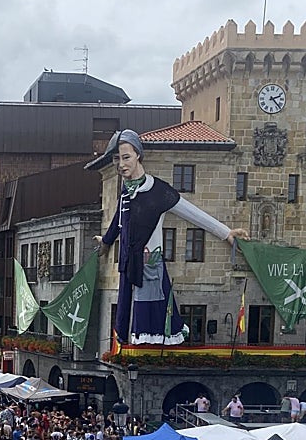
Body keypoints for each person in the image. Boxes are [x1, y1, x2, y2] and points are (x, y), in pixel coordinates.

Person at [91, 128, 247, 349]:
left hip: (148, 264)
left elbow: (191, 212)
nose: (121, 164)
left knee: (149, 314)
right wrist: (106, 242)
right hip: (128, 264)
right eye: (117, 159)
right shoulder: (126, 192)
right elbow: (119, 220)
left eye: (126, 157)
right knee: (128, 311)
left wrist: (225, 232)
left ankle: (148, 351)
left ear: (138, 156)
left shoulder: (158, 191)